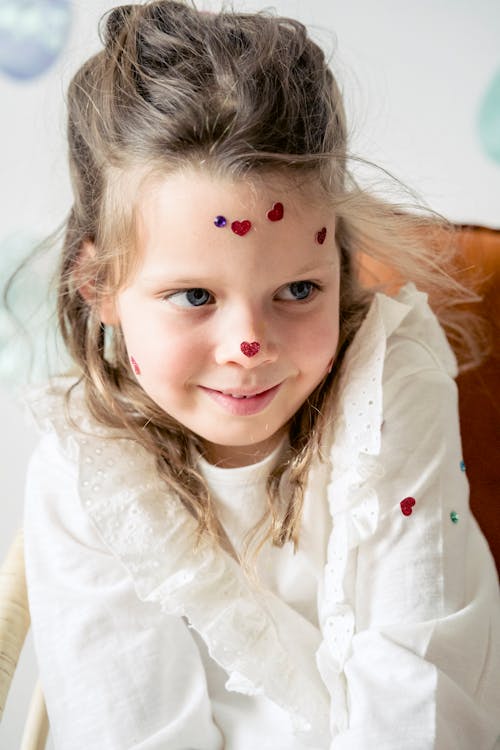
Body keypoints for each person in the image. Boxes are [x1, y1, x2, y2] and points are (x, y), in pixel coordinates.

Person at [23, 2, 499, 748]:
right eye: (194, 297)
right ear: (99, 286)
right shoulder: (85, 474)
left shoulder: (393, 389)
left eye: (298, 292)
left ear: (340, 266)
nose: (249, 345)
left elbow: (421, 707)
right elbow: (131, 730)